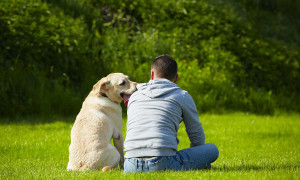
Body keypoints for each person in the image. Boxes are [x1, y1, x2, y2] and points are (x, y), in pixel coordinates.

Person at [123, 54, 219, 173]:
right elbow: (196, 136)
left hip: (130, 165)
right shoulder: (182, 96)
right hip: (162, 163)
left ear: (152, 74)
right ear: (176, 78)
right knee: (212, 149)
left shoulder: (134, 96)